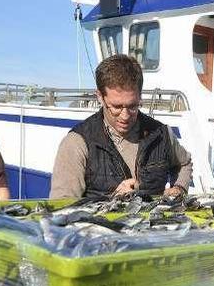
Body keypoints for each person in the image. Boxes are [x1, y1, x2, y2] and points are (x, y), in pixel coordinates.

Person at [50, 54, 193, 199]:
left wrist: (179, 188)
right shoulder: (76, 143)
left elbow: (184, 163)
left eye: (132, 106)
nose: (125, 116)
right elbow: (62, 209)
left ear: (139, 96)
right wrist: (113, 201)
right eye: (117, 107)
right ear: (100, 97)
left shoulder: (161, 134)